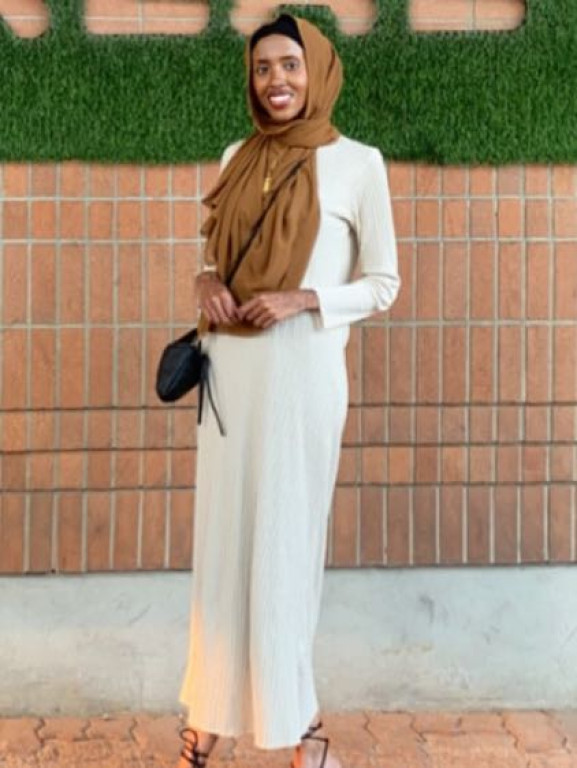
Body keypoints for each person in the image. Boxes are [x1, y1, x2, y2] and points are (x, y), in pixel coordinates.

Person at [176, 13, 400, 768]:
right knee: (224, 548)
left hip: (301, 380)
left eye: (290, 65)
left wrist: (304, 299)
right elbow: (217, 257)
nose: (276, 80)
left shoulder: (357, 164)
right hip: (231, 382)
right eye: (263, 67)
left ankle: (299, 730)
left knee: (285, 548)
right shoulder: (236, 156)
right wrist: (206, 282)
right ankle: (210, 715)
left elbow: (383, 283)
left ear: (319, 71)